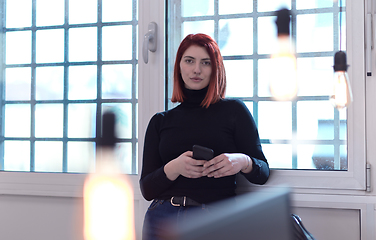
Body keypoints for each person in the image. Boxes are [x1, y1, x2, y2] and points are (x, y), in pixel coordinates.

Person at [140, 33, 270, 239]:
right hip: (162, 218)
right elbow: (146, 189)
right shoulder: (160, 121)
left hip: (215, 218)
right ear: (179, 66)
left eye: (205, 63)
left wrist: (242, 161)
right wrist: (175, 167)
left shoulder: (234, 111)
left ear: (215, 69)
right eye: (189, 61)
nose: (196, 70)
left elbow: (262, 173)